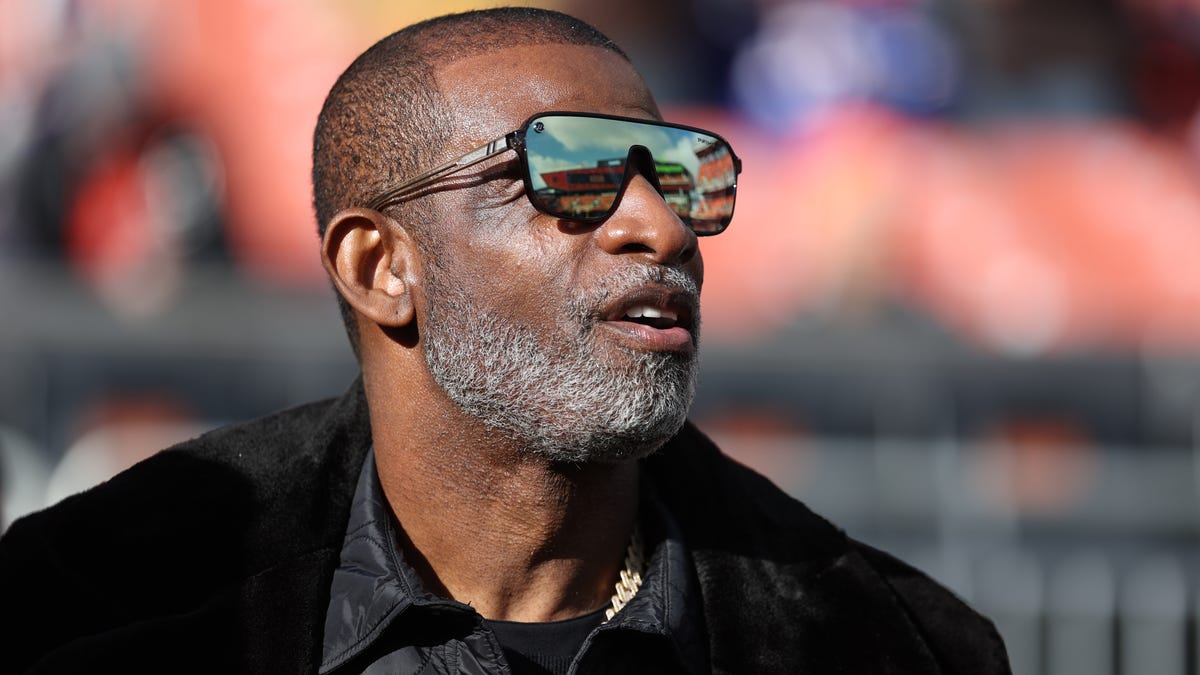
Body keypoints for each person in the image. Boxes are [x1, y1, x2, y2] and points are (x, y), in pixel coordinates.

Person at [0, 8, 1010, 674]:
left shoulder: (891, 645)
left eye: (686, 176)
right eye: (572, 173)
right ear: (378, 267)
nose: (658, 227)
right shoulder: (87, 607)